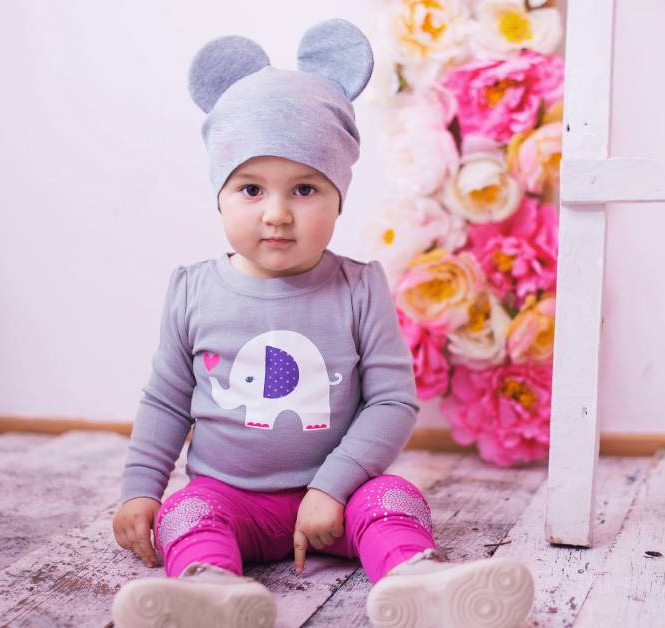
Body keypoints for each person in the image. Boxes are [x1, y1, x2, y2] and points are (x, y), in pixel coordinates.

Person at [109, 19, 534, 628]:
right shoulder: (192, 290)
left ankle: (418, 581)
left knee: (395, 499)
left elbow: (391, 402)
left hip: (339, 496)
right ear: (219, 195)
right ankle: (210, 591)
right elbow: (166, 402)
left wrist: (332, 487)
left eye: (305, 189)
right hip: (229, 496)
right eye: (251, 189)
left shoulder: (359, 288)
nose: (278, 214)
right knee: (188, 512)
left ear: (339, 198)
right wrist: (140, 491)